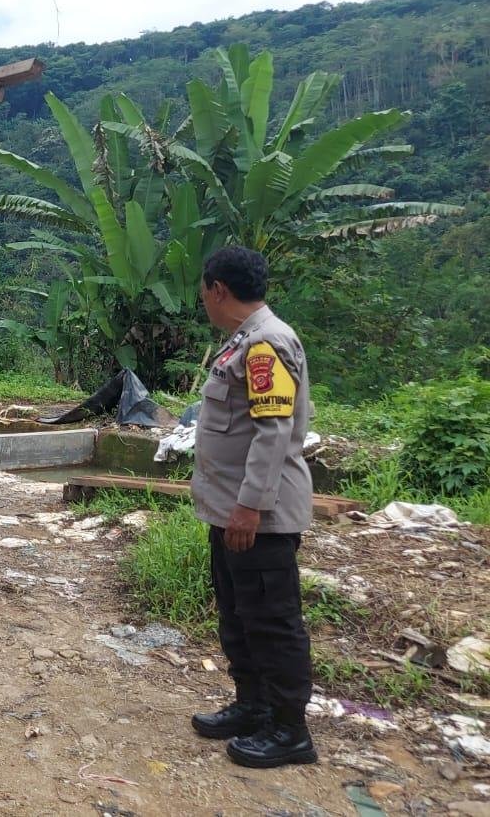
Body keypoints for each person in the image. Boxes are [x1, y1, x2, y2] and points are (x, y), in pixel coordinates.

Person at [189, 245, 317, 768]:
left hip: (256, 516)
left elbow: (272, 433)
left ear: (219, 290)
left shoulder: (266, 344)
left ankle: (289, 731)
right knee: (238, 615)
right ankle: (253, 706)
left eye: (204, 292)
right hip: (231, 511)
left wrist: (249, 508)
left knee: (271, 621)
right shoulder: (243, 341)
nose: (204, 301)